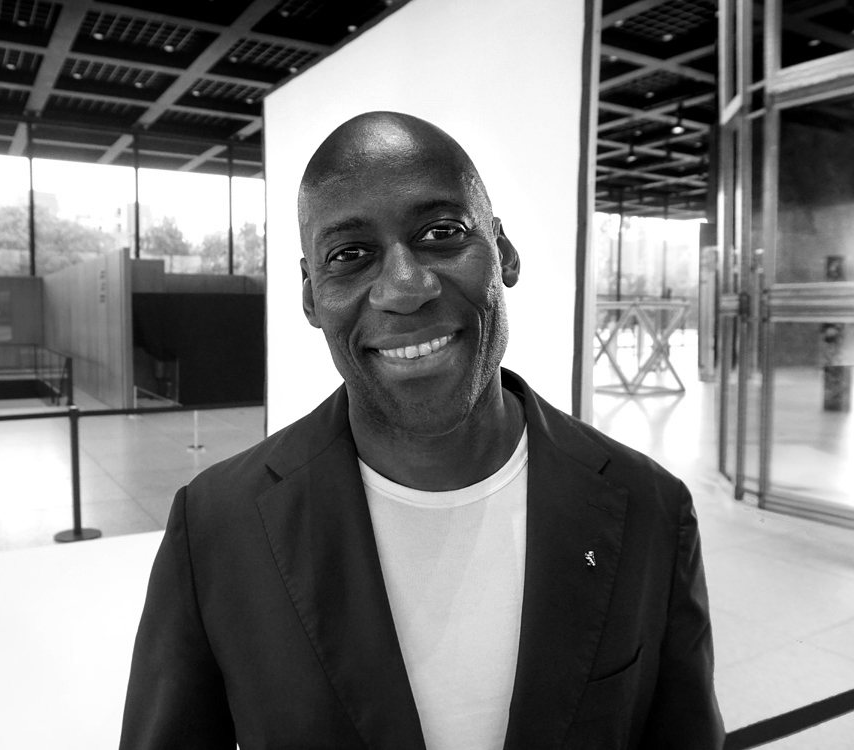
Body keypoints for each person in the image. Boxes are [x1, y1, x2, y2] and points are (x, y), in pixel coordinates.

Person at [119, 112, 725, 749]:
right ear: (311, 296)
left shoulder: (652, 508)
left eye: (441, 233)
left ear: (503, 253)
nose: (405, 287)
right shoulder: (218, 528)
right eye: (350, 255)